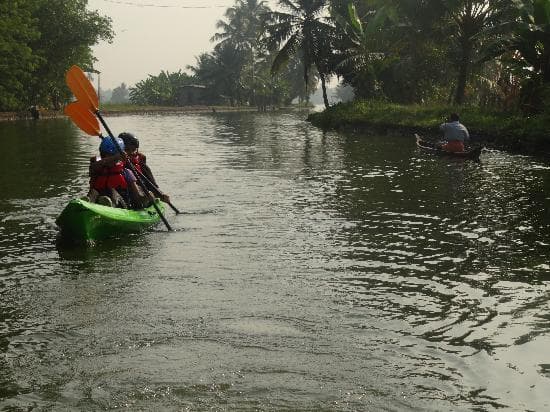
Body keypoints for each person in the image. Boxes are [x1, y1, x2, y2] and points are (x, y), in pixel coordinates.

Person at [86, 137, 148, 208]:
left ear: (120, 158)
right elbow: (94, 167)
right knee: (94, 192)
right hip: (98, 201)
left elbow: (138, 195)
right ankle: (87, 202)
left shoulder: (126, 172)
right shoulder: (97, 169)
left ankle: (109, 204)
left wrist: (146, 198)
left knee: (111, 190)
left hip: (120, 205)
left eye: (112, 156)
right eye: (106, 156)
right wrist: (115, 157)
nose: (109, 160)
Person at [119, 132, 170, 203]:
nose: (131, 153)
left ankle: (146, 198)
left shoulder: (141, 163)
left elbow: (151, 182)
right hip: (123, 193)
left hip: (140, 192)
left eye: (133, 150)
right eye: (127, 150)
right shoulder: (115, 161)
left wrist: (161, 194)